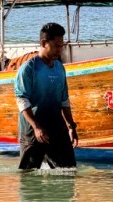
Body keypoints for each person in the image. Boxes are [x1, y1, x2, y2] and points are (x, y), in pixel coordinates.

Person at [14, 22, 79, 170]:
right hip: (33, 128)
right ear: (44, 43)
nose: (60, 50)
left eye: (62, 45)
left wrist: (71, 126)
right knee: (29, 175)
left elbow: (64, 100)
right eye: (57, 46)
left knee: (69, 171)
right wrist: (36, 127)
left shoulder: (59, 68)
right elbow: (22, 100)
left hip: (56, 125)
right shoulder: (29, 69)